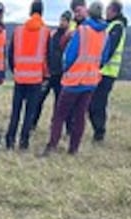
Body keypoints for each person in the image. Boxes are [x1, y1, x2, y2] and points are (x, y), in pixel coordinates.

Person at [43, 0, 106, 155]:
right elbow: (103, 58)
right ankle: (73, 149)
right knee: (80, 116)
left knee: (59, 115)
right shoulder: (105, 34)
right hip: (91, 82)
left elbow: (69, 56)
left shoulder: (82, 31)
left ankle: (52, 146)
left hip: (73, 81)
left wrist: (66, 70)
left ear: (89, 12)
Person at [5, 0, 50, 150]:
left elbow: (10, 55)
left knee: (15, 111)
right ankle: (24, 142)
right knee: (29, 113)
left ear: (30, 12)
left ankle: (10, 139)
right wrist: (44, 76)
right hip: (36, 79)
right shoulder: (45, 32)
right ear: (42, 12)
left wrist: (16, 70)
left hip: (20, 77)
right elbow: (47, 57)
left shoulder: (18, 31)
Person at [89, 1, 128, 142]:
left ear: (114, 11)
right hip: (102, 71)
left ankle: (99, 133)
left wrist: (98, 64)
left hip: (107, 72)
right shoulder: (111, 25)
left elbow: (109, 49)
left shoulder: (117, 27)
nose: (106, 13)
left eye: (108, 10)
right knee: (93, 103)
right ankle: (98, 131)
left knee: (97, 104)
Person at [32, 10, 71, 129]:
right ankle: (32, 123)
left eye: (65, 20)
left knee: (60, 103)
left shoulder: (70, 36)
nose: (62, 22)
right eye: (61, 20)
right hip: (49, 73)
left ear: (69, 22)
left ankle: (56, 126)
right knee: (39, 99)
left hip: (61, 74)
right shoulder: (52, 34)